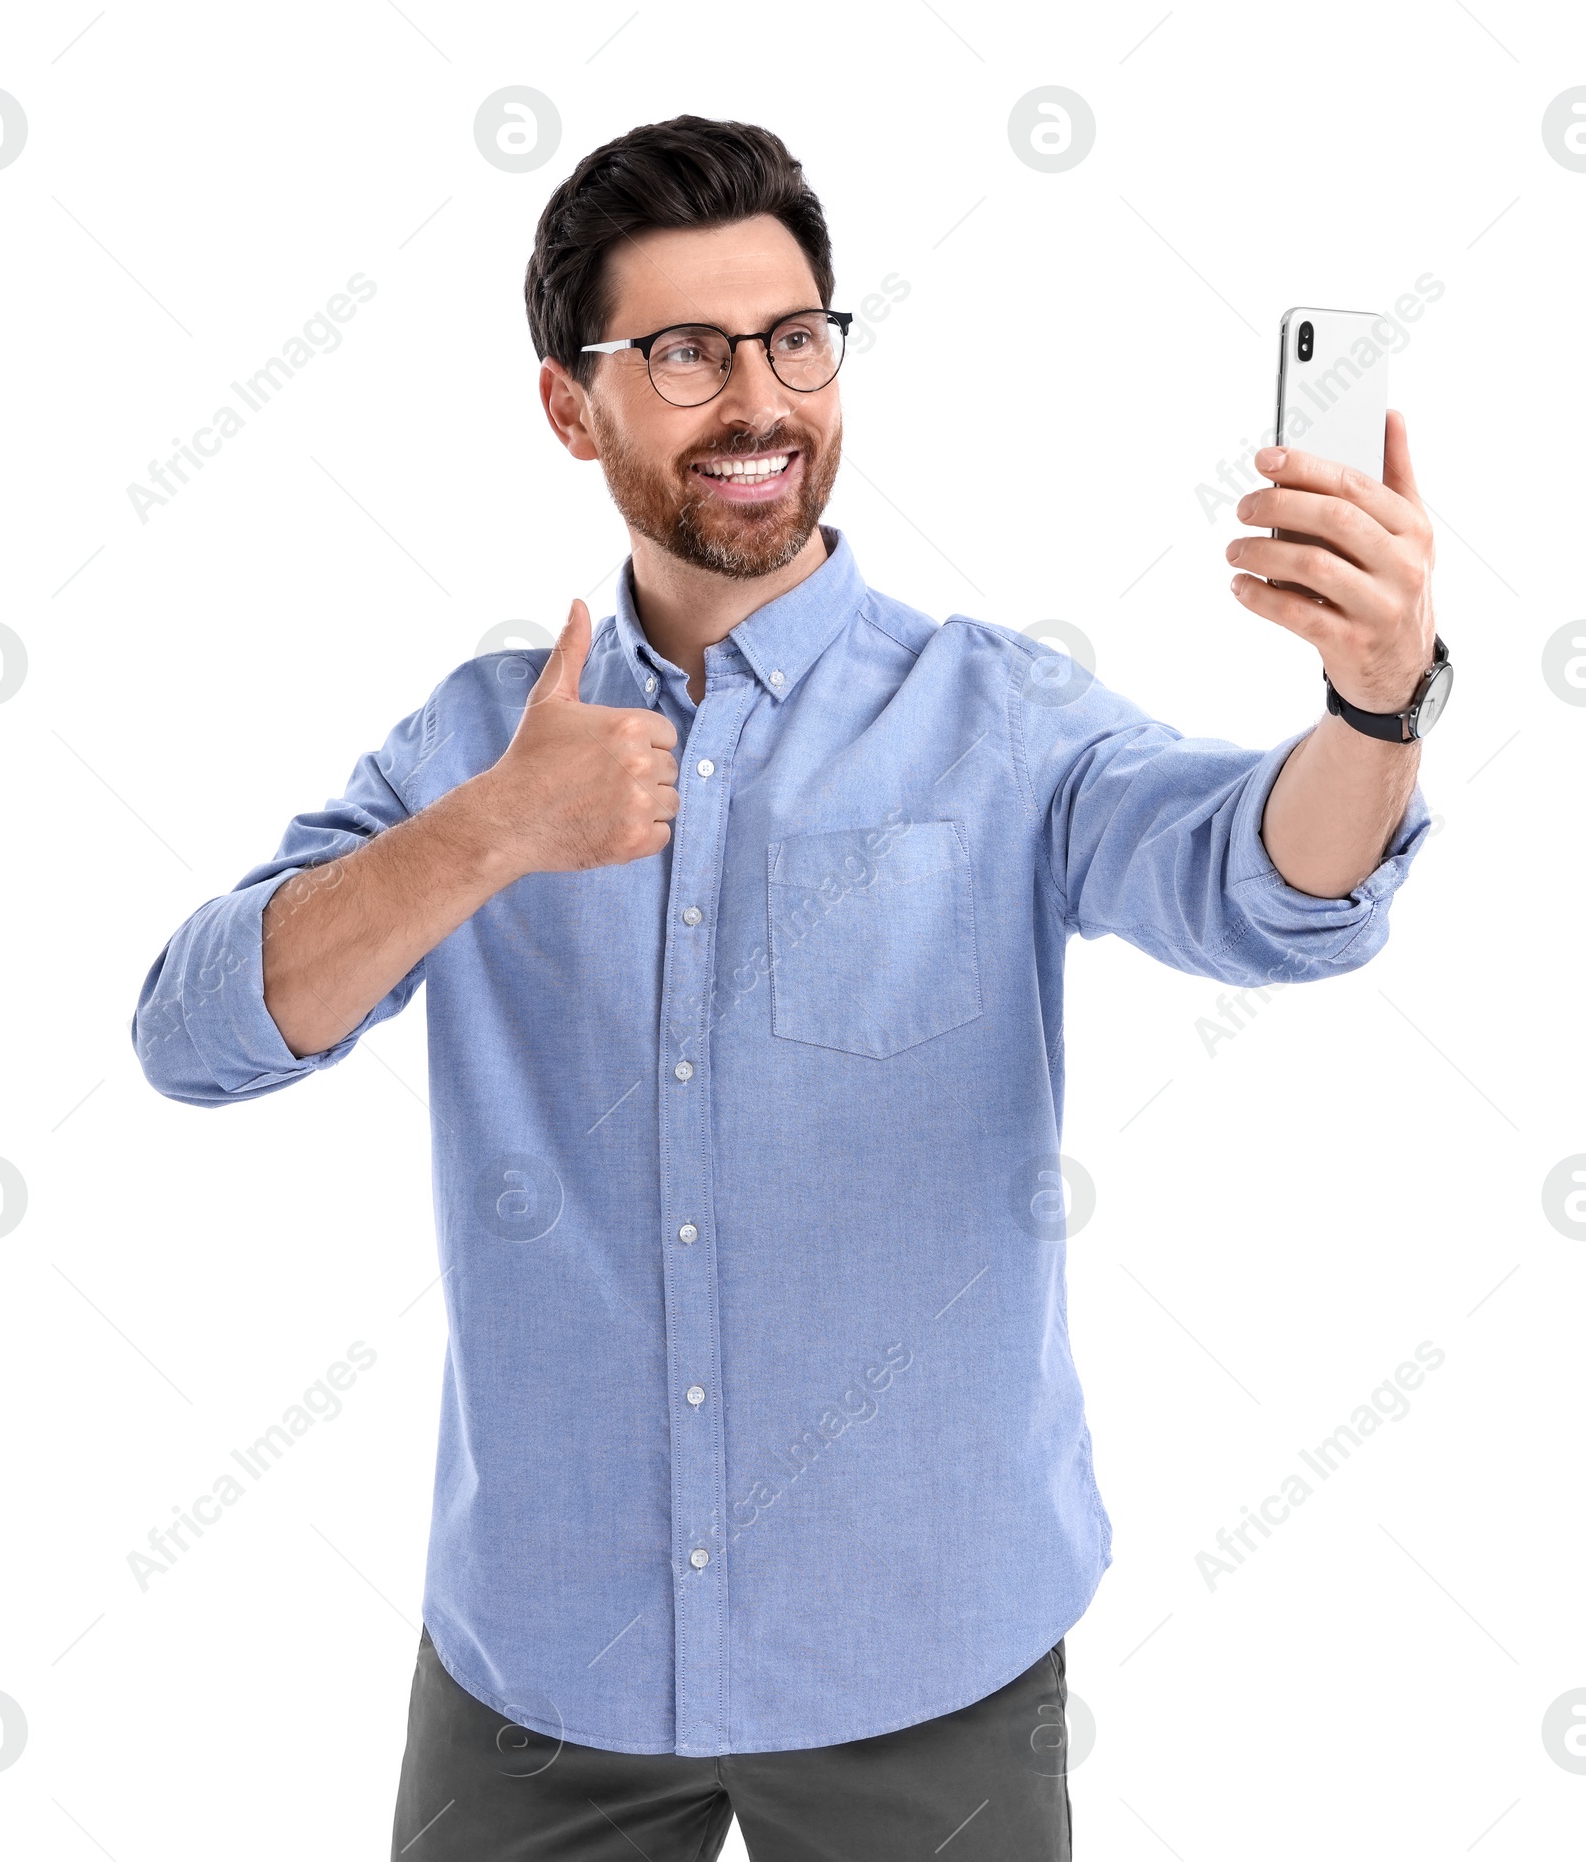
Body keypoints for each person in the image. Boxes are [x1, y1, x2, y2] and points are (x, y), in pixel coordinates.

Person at [133, 114, 1444, 1861]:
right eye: (682, 351)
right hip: (545, 1664)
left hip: (927, 1653)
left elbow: (1264, 881)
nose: (758, 399)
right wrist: (492, 833)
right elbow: (194, 1035)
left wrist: (1373, 710)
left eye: (796, 339)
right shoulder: (480, 744)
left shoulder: (999, 717)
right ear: (569, 405)